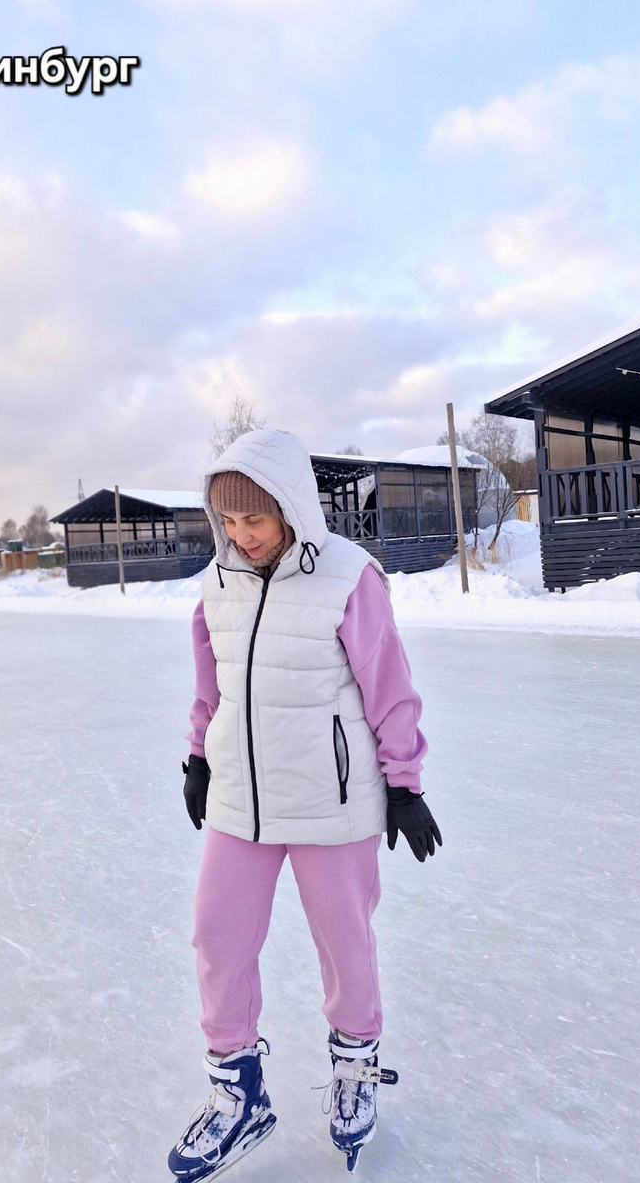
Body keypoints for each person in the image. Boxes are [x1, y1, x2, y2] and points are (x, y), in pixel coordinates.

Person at [168, 429, 441, 1180]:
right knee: (217, 939)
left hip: (333, 800)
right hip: (240, 801)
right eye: (228, 521)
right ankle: (237, 1094)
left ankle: (354, 1069)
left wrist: (405, 784)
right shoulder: (215, 585)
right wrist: (197, 755)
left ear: (290, 508)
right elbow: (210, 686)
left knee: (344, 945)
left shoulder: (351, 577)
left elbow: (390, 685)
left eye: (254, 520)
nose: (240, 535)